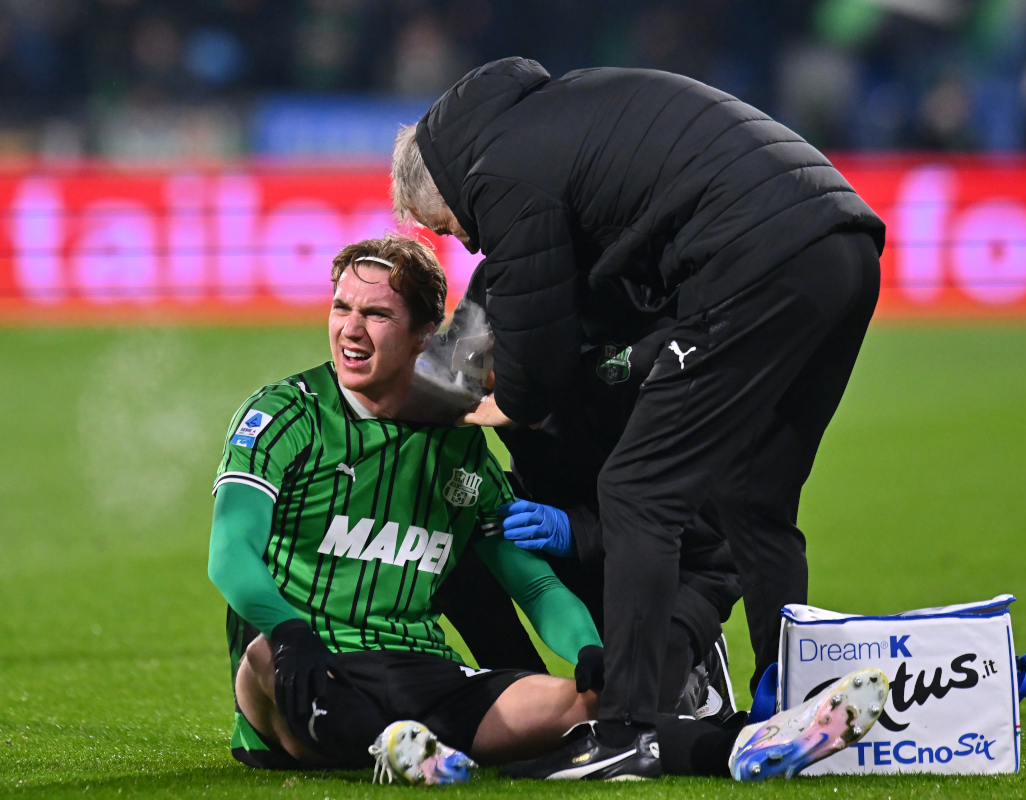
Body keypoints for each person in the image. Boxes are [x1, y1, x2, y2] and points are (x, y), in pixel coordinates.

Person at [391, 57, 885, 779]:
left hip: (755, 256)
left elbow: (530, 333)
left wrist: (513, 402)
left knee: (637, 490)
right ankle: (791, 699)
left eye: (450, 225)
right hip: (842, 242)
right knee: (757, 496)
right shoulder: (556, 125)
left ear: (442, 183)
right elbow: (493, 328)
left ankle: (626, 728)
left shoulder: (498, 171)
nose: (468, 241)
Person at [208, 234, 603, 783]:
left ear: (423, 335)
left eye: (376, 315)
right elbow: (230, 553)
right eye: (341, 308)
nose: (350, 329)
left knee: (595, 699)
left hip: (423, 675)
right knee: (261, 660)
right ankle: (401, 744)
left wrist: (589, 650)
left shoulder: (459, 448)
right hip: (310, 663)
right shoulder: (286, 416)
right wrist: (290, 632)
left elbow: (535, 587)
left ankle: (409, 747)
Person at [433, 273, 741, 721]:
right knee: (449, 511)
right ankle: (517, 687)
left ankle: (697, 662)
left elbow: (710, 521)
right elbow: (434, 381)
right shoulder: (500, 303)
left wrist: (577, 530)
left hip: (678, 558)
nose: (485, 382)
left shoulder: (654, 362)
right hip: (568, 524)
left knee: (638, 717)